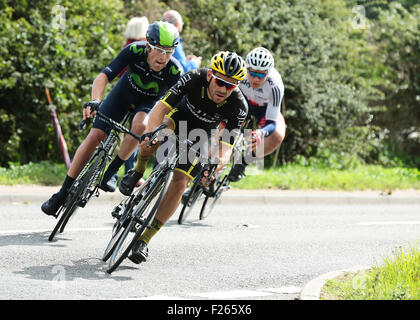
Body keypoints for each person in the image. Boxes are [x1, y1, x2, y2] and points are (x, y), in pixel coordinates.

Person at [117, 51, 248, 264]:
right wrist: (152, 132)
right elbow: (161, 108)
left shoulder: (239, 106)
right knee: (154, 136)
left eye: (231, 85)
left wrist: (213, 167)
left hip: (204, 134)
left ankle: (145, 240)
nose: (224, 89)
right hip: (178, 117)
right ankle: (138, 171)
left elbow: (226, 147)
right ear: (210, 76)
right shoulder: (194, 77)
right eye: (220, 82)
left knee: (180, 182)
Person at [41, 21, 183, 217]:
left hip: (149, 103)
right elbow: (104, 76)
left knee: (140, 125)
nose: (163, 57)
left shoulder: (175, 71)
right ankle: (62, 192)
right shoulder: (134, 50)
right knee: (94, 137)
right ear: (148, 46)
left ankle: (111, 172)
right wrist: (94, 100)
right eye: (159, 50)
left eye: (169, 52)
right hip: (123, 94)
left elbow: (171, 107)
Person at [227, 47, 286, 182]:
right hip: (243, 102)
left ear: (268, 73)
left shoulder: (275, 85)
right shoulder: (240, 73)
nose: (255, 79)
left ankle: (243, 162)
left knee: (278, 134)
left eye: (261, 75)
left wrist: (261, 133)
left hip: (265, 109)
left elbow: (271, 123)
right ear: (247, 69)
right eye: (252, 73)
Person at [118, 16, 149, 174]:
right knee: (134, 134)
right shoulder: (143, 48)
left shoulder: (127, 45)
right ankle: (129, 169)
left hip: (123, 94)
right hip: (140, 98)